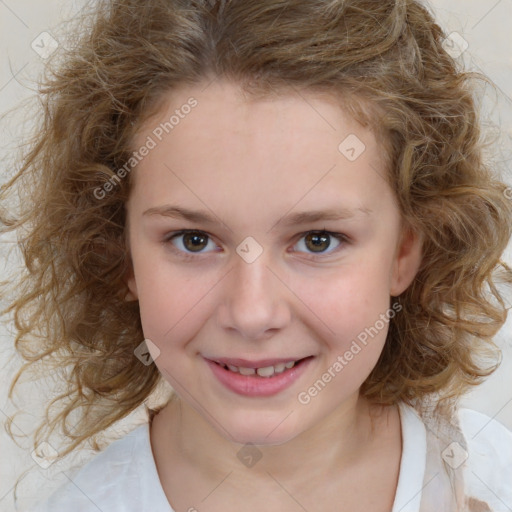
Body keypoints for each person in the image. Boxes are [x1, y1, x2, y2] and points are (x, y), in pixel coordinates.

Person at [1, 0, 511, 510]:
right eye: (193, 240)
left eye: (317, 240)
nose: (252, 313)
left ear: (404, 253)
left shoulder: (490, 475)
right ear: (120, 252)